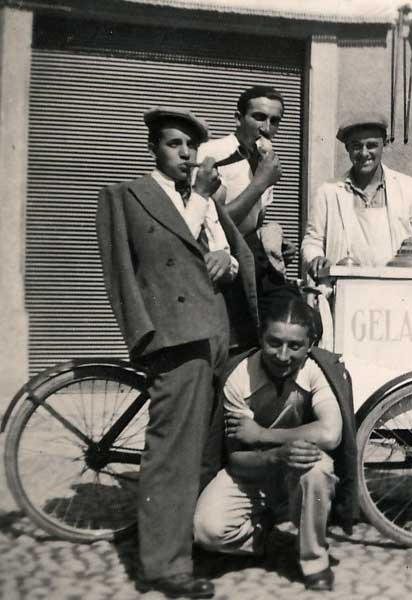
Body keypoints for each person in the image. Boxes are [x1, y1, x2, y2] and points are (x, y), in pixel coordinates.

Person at [96, 108, 259, 599]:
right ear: (154, 148)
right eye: (174, 144)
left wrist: (225, 259)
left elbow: (224, 257)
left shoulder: (202, 198)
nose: (185, 154)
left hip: (216, 330)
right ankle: (164, 566)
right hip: (174, 335)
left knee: (205, 448)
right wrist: (141, 335)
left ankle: (191, 541)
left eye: (191, 146)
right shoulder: (131, 196)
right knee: (172, 453)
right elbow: (147, 261)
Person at [193, 297, 356, 592]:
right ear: (260, 338)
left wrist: (263, 436)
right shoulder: (239, 377)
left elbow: (330, 433)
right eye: (274, 343)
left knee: (318, 469)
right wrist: (277, 455)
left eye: (295, 346)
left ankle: (314, 561)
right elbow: (236, 458)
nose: (282, 355)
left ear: (310, 346)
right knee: (207, 531)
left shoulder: (316, 370)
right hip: (252, 472)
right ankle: (263, 536)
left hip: (297, 469)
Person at [301, 113, 412, 278]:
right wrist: (315, 258)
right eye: (356, 146)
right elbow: (312, 242)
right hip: (343, 288)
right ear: (347, 148)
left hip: (394, 290)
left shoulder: (407, 188)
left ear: (383, 144)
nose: (364, 153)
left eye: (371, 145)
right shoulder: (328, 192)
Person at [200, 85, 299, 318]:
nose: (266, 128)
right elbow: (212, 226)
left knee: (293, 314)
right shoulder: (212, 153)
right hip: (218, 264)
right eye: (259, 117)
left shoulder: (264, 159)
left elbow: (254, 222)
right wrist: (260, 183)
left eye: (275, 121)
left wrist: (275, 244)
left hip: (250, 259)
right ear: (238, 118)